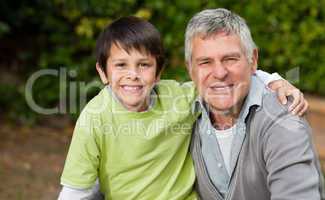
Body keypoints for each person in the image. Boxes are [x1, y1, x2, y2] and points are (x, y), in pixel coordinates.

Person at [58, 16, 308, 200]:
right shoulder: (94, 117)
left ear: (158, 73)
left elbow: (224, 78)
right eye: (121, 65)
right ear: (102, 72)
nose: (132, 75)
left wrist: (274, 80)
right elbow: (75, 190)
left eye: (143, 65)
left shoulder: (176, 97)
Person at [186, 8, 325, 200]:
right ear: (190, 69)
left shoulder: (282, 121)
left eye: (230, 59)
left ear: (253, 60)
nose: (219, 72)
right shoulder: (183, 112)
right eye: (205, 62)